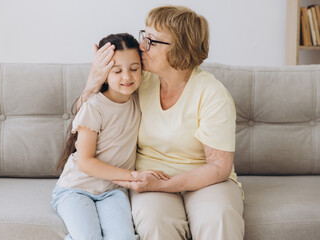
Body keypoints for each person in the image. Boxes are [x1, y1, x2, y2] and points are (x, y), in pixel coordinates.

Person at [78, 6, 244, 240]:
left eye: (152, 41)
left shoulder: (212, 94)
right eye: (143, 36)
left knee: (218, 217)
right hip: (149, 176)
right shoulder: (137, 79)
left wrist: (163, 185)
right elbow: (88, 117)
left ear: (180, 49)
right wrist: (94, 80)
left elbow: (219, 167)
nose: (141, 46)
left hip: (207, 180)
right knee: (155, 223)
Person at [51, 33, 170, 240]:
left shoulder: (139, 99)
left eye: (134, 69)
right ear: (104, 73)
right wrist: (133, 176)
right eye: (117, 71)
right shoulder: (94, 107)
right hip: (76, 189)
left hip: (113, 191)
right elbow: (86, 162)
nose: (127, 77)